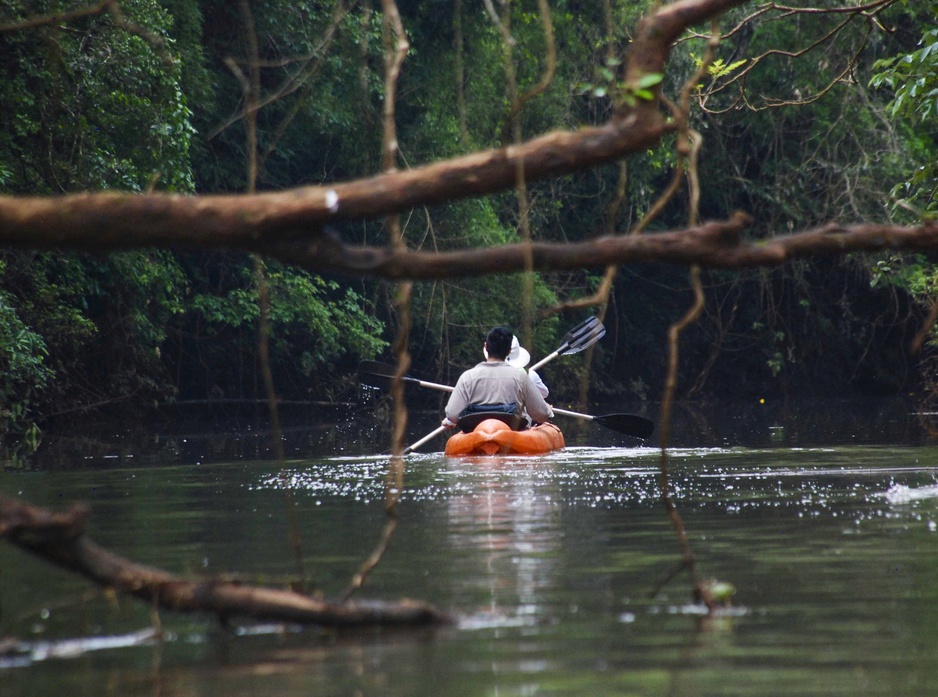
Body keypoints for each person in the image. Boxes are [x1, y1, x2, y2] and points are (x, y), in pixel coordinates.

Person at [443, 326, 554, 429]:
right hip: (512, 433)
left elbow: (452, 415)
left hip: (477, 432)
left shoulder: (467, 377)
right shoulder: (521, 377)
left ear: (486, 347)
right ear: (509, 351)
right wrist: (547, 409)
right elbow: (542, 415)